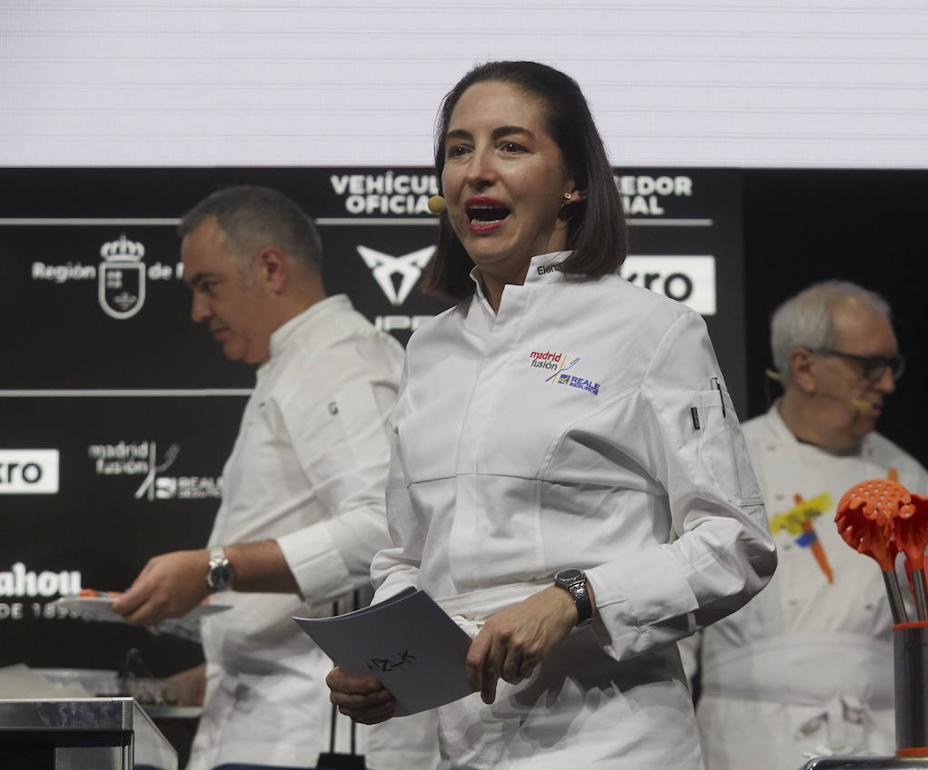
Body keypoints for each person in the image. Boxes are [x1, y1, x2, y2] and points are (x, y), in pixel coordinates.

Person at [325, 61, 777, 769]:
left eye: (510, 145)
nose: (476, 170)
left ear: (573, 183)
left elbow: (735, 544)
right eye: (457, 149)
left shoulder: (652, 329)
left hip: (614, 742)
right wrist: (384, 661)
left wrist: (576, 598)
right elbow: (409, 555)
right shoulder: (431, 349)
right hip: (465, 747)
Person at [112, 185, 439, 770]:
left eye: (206, 286)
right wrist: (216, 667)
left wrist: (214, 568)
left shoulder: (341, 361)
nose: (198, 311)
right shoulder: (297, 366)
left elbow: (383, 529)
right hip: (266, 724)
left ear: (269, 267)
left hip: (313, 736)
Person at [682, 280, 928, 769]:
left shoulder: (911, 482)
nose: (887, 384)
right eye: (870, 367)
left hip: (884, 745)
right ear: (804, 367)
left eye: (890, 366)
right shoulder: (727, 464)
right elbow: (676, 630)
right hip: (748, 744)